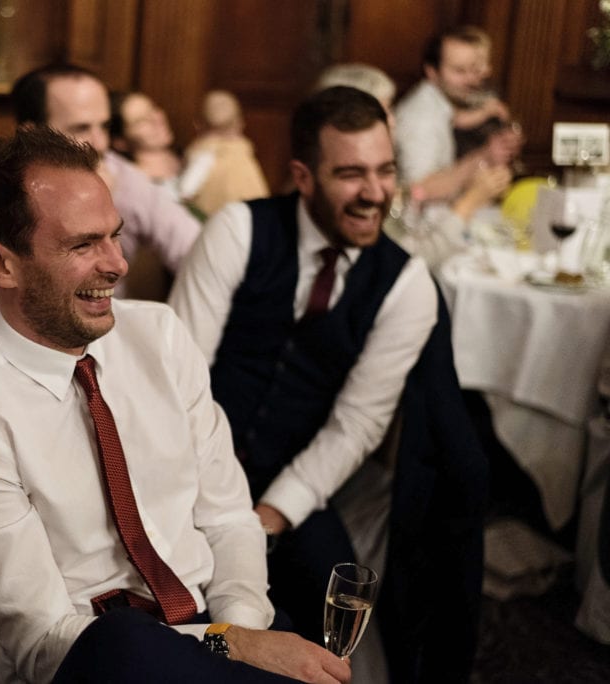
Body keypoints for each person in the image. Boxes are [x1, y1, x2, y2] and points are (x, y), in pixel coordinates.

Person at [0, 126, 350, 684]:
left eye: (115, 236)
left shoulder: (161, 337)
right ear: (1, 264)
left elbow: (227, 519)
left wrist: (243, 631)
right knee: (122, 639)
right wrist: (230, 649)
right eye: (83, 245)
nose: (118, 264)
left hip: (221, 624)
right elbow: (44, 640)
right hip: (101, 666)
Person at [169, 86, 488, 683]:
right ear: (303, 175)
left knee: (336, 603)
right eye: (350, 174)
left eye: (385, 170)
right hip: (186, 467)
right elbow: (176, 380)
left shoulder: (408, 285)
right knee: (179, 608)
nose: (374, 193)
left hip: (292, 483)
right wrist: (204, 500)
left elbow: (356, 426)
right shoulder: (239, 230)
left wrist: (270, 514)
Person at [10, 63, 201, 298]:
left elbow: (199, 253)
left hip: (105, 329)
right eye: (81, 128)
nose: (100, 143)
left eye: (105, 126)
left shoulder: (126, 179)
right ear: (32, 133)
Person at [315, 62, 511, 269]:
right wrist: (470, 202)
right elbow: (409, 259)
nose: (393, 121)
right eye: (386, 111)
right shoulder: (355, 186)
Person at [393, 25, 521, 203]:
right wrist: (484, 156)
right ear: (432, 72)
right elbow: (416, 192)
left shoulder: (449, 103)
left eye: (475, 69)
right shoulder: (420, 118)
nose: (471, 79)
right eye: (459, 71)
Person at [182, 89, 271, 219]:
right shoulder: (245, 157)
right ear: (240, 124)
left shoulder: (202, 156)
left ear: (197, 125)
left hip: (211, 222)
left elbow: (185, 190)